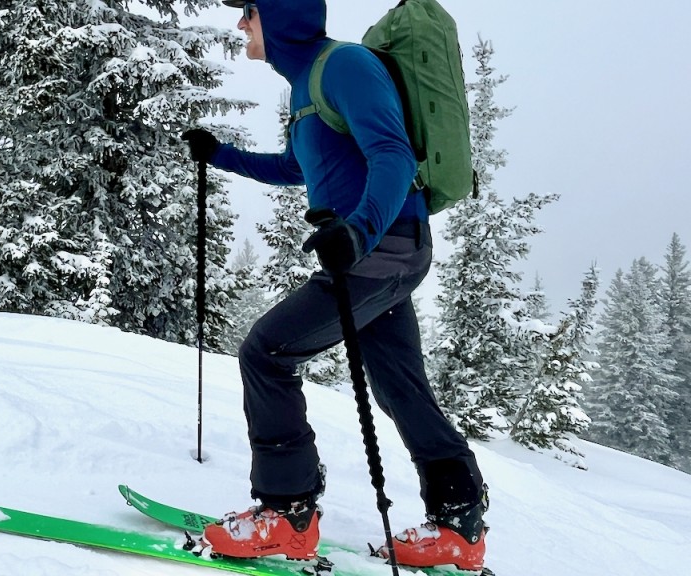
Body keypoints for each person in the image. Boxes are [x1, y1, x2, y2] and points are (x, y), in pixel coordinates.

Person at [180, 0, 488, 571]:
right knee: (399, 386)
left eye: (249, 11)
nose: (240, 24)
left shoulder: (344, 66)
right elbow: (299, 167)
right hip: (379, 251)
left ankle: (289, 515)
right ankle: (459, 523)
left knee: (267, 352)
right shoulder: (306, 86)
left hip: (379, 248)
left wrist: (360, 231)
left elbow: (392, 155)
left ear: (280, 14)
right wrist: (220, 156)